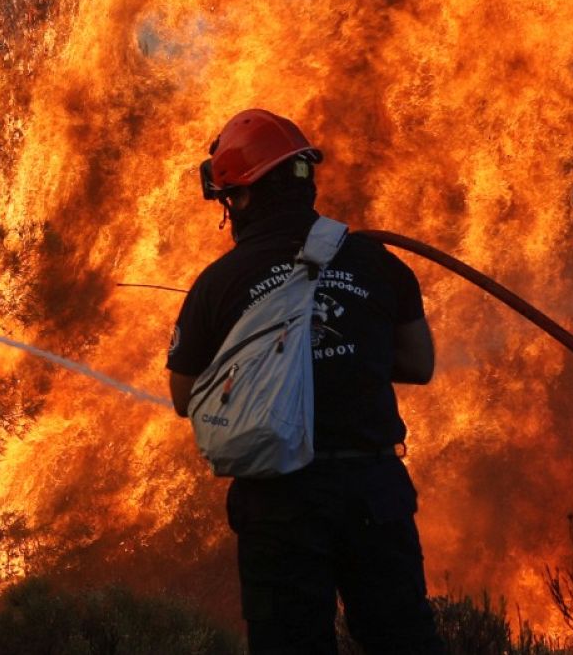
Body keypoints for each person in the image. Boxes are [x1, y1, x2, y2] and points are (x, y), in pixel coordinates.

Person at [166, 109, 448, 655]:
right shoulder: (376, 261)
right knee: (404, 642)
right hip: (373, 489)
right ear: (304, 183)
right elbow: (418, 363)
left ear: (240, 197)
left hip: (281, 503)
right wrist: (345, 352)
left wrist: (286, 360)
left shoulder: (219, 283)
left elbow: (185, 397)